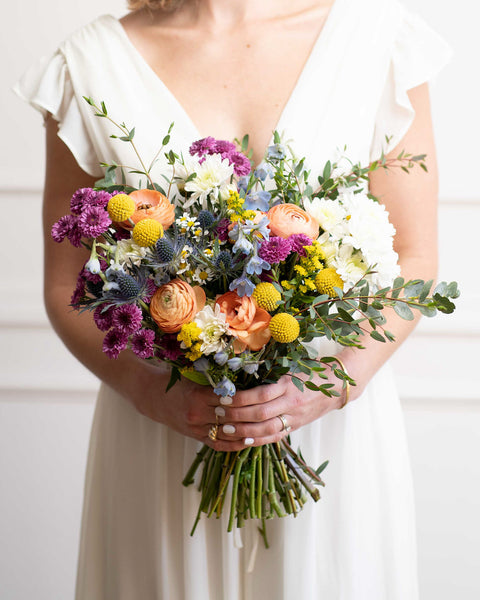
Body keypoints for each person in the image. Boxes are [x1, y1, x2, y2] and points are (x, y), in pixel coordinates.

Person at [14, 0, 451, 597]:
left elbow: (417, 262)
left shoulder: (380, 42)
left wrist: (332, 385)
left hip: (329, 434)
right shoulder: (89, 65)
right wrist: (152, 396)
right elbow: (66, 284)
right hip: (165, 429)